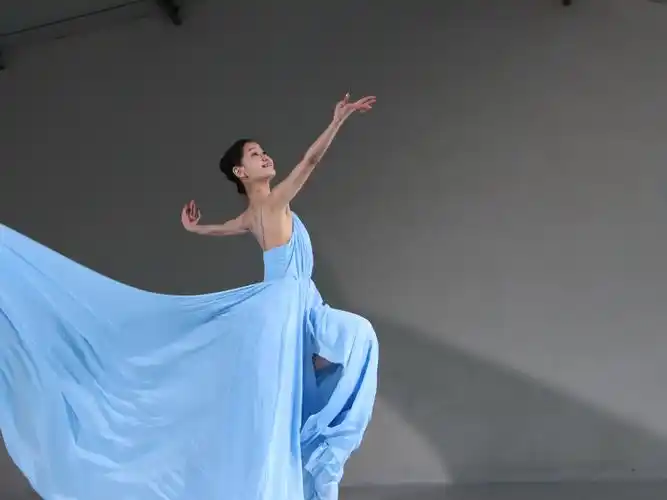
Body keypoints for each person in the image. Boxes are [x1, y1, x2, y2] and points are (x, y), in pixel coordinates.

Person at [0, 93, 379, 500]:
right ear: (241, 172)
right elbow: (310, 161)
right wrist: (337, 121)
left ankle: (310, 445)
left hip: (297, 306)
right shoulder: (272, 203)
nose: (266, 157)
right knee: (353, 341)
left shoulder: (251, 216)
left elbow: (224, 227)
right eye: (256, 155)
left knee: (344, 349)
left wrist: (196, 229)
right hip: (285, 307)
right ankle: (310, 456)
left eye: (264, 152)